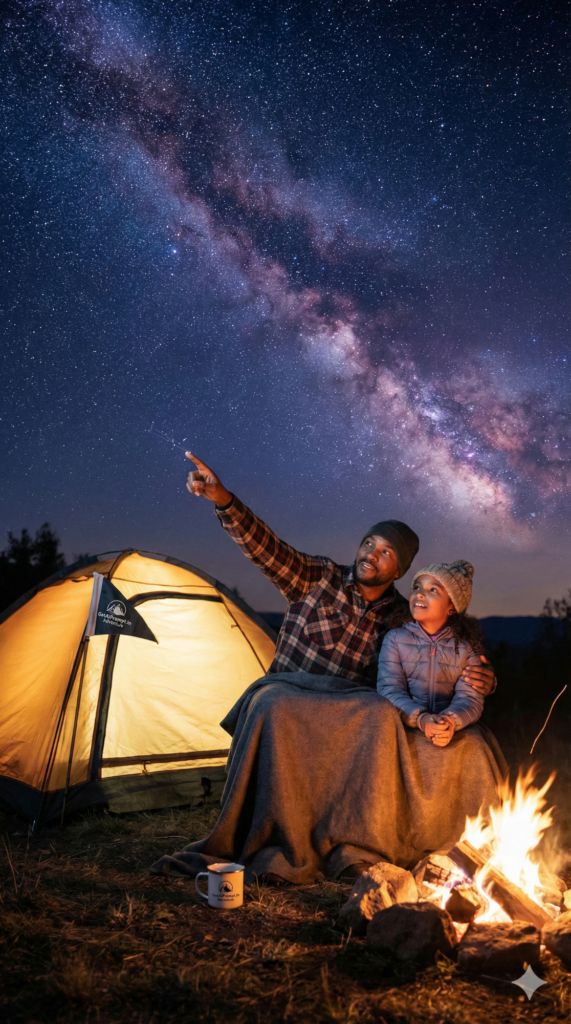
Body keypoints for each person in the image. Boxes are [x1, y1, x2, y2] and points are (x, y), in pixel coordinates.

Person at [185, 453, 496, 696]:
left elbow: (439, 659)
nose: (371, 554)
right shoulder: (319, 577)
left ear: (399, 571)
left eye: (386, 552)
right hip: (283, 705)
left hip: (343, 728)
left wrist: (483, 679)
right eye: (369, 543)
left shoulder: (402, 618)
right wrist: (224, 500)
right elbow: (267, 549)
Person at [377, 560, 487, 748]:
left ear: (452, 607)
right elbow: (389, 689)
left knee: (475, 745)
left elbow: (470, 698)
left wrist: (449, 721)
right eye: (417, 587)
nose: (419, 593)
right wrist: (421, 718)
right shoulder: (395, 639)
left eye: (433, 590)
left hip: (449, 728)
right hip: (405, 722)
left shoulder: (466, 648)